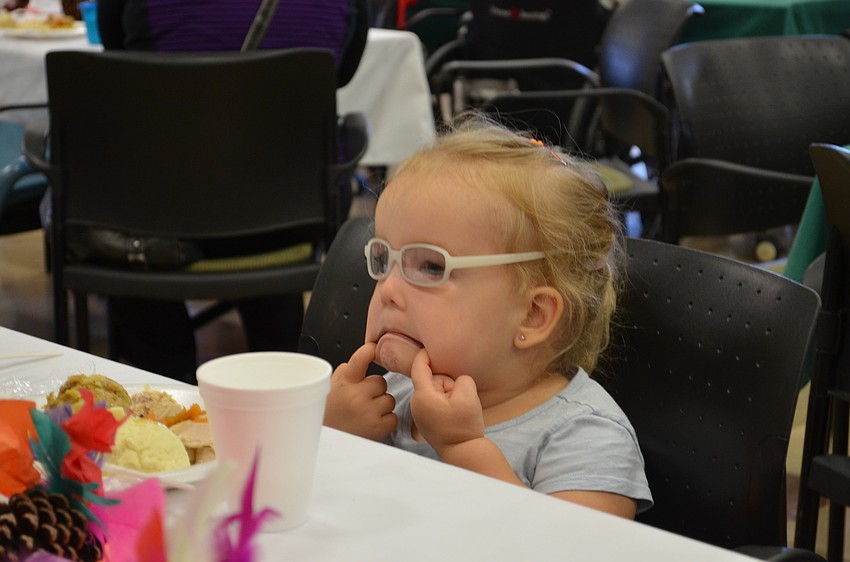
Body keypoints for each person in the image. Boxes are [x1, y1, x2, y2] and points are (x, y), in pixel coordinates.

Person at [323, 117, 653, 518]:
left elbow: (568, 545)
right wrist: (333, 436)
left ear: (532, 315)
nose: (387, 290)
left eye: (430, 267)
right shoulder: (392, 395)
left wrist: (463, 449)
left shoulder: (585, 438)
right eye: (383, 259)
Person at [93, 0, 369, 383]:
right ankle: (283, 370)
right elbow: (339, 73)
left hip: (163, 221)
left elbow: (120, 60)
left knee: (123, 196)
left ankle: (161, 383)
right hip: (291, 216)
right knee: (264, 201)